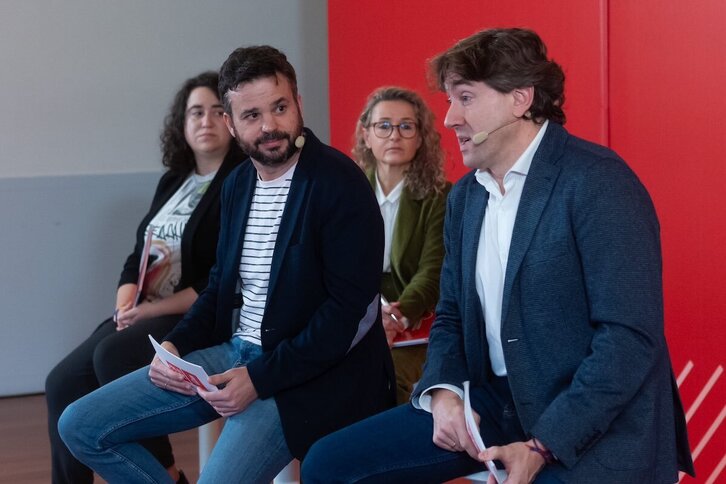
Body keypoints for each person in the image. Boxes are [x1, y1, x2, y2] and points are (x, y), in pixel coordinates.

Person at [301, 28, 695, 483]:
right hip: (496, 403)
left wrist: (543, 444)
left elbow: (628, 342)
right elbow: (449, 315)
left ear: (520, 99)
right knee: (328, 466)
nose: (448, 119)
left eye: (465, 98)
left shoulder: (599, 183)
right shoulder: (466, 198)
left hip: (591, 423)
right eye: (450, 100)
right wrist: (444, 393)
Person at [58, 45, 395, 483]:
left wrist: (258, 377)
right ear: (231, 124)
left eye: (280, 107)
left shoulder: (339, 184)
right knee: (80, 426)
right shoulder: (236, 185)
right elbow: (219, 287)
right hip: (233, 354)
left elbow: (347, 314)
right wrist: (176, 348)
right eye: (251, 115)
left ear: (299, 104)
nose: (270, 125)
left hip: (305, 376)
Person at [45, 71, 243, 484]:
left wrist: (152, 308)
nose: (205, 120)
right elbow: (138, 254)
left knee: (114, 354)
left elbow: (219, 280)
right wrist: (125, 302)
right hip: (142, 310)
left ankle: (166, 475)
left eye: (216, 111)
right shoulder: (175, 181)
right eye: (195, 112)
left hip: (194, 313)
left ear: (231, 120)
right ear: (182, 124)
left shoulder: (238, 183)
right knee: (61, 381)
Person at [353, 86, 450, 403]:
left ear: (420, 138)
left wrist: (397, 318)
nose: (394, 135)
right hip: (355, 318)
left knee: (381, 375)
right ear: (367, 135)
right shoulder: (347, 193)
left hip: (416, 325)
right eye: (384, 126)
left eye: (406, 126)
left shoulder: (440, 196)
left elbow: (432, 271)